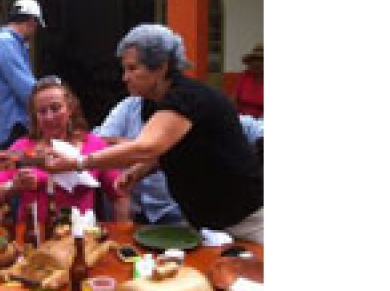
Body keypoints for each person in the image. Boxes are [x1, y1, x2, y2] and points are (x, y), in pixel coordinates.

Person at [39, 24, 264, 243]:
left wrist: (78, 162)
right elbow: (167, 148)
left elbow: (147, 147)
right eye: (125, 69)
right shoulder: (151, 103)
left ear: (161, 67)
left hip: (244, 219)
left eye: (132, 68)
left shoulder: (187, 98)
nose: (125, 77)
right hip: (205, 221)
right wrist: (138, 172)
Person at [0, 77, 130, 230]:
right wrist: (13, 186)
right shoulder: (22, 147)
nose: (49, 117)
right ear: (35, 116)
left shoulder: (93, 144)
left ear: (70, 108)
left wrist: (121, 232)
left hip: (80, 235)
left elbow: (119, 194)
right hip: (33, 236)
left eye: (55, 108)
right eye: (42, 111)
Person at [96, 97, 264, 226]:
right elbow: (101, 140)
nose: (126, 77)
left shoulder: (194, 105)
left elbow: (255, 129)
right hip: (134, 207)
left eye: (133, 69)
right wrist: (146, 148)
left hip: (176, 209)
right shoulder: (130, 106)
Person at [0, 0, 45, 151]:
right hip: (12, 127)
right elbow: (25, 88)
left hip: (5, 126)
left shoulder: (8, 43)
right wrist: (48, 100)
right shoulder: (6, 43)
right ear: (31, 21)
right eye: (36, 25)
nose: (35, 32)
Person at [233, 42, 264, 118]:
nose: (257, 63)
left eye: (261, 60)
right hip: (241, 118)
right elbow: (234, 100)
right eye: (254, 60)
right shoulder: (243, 77)